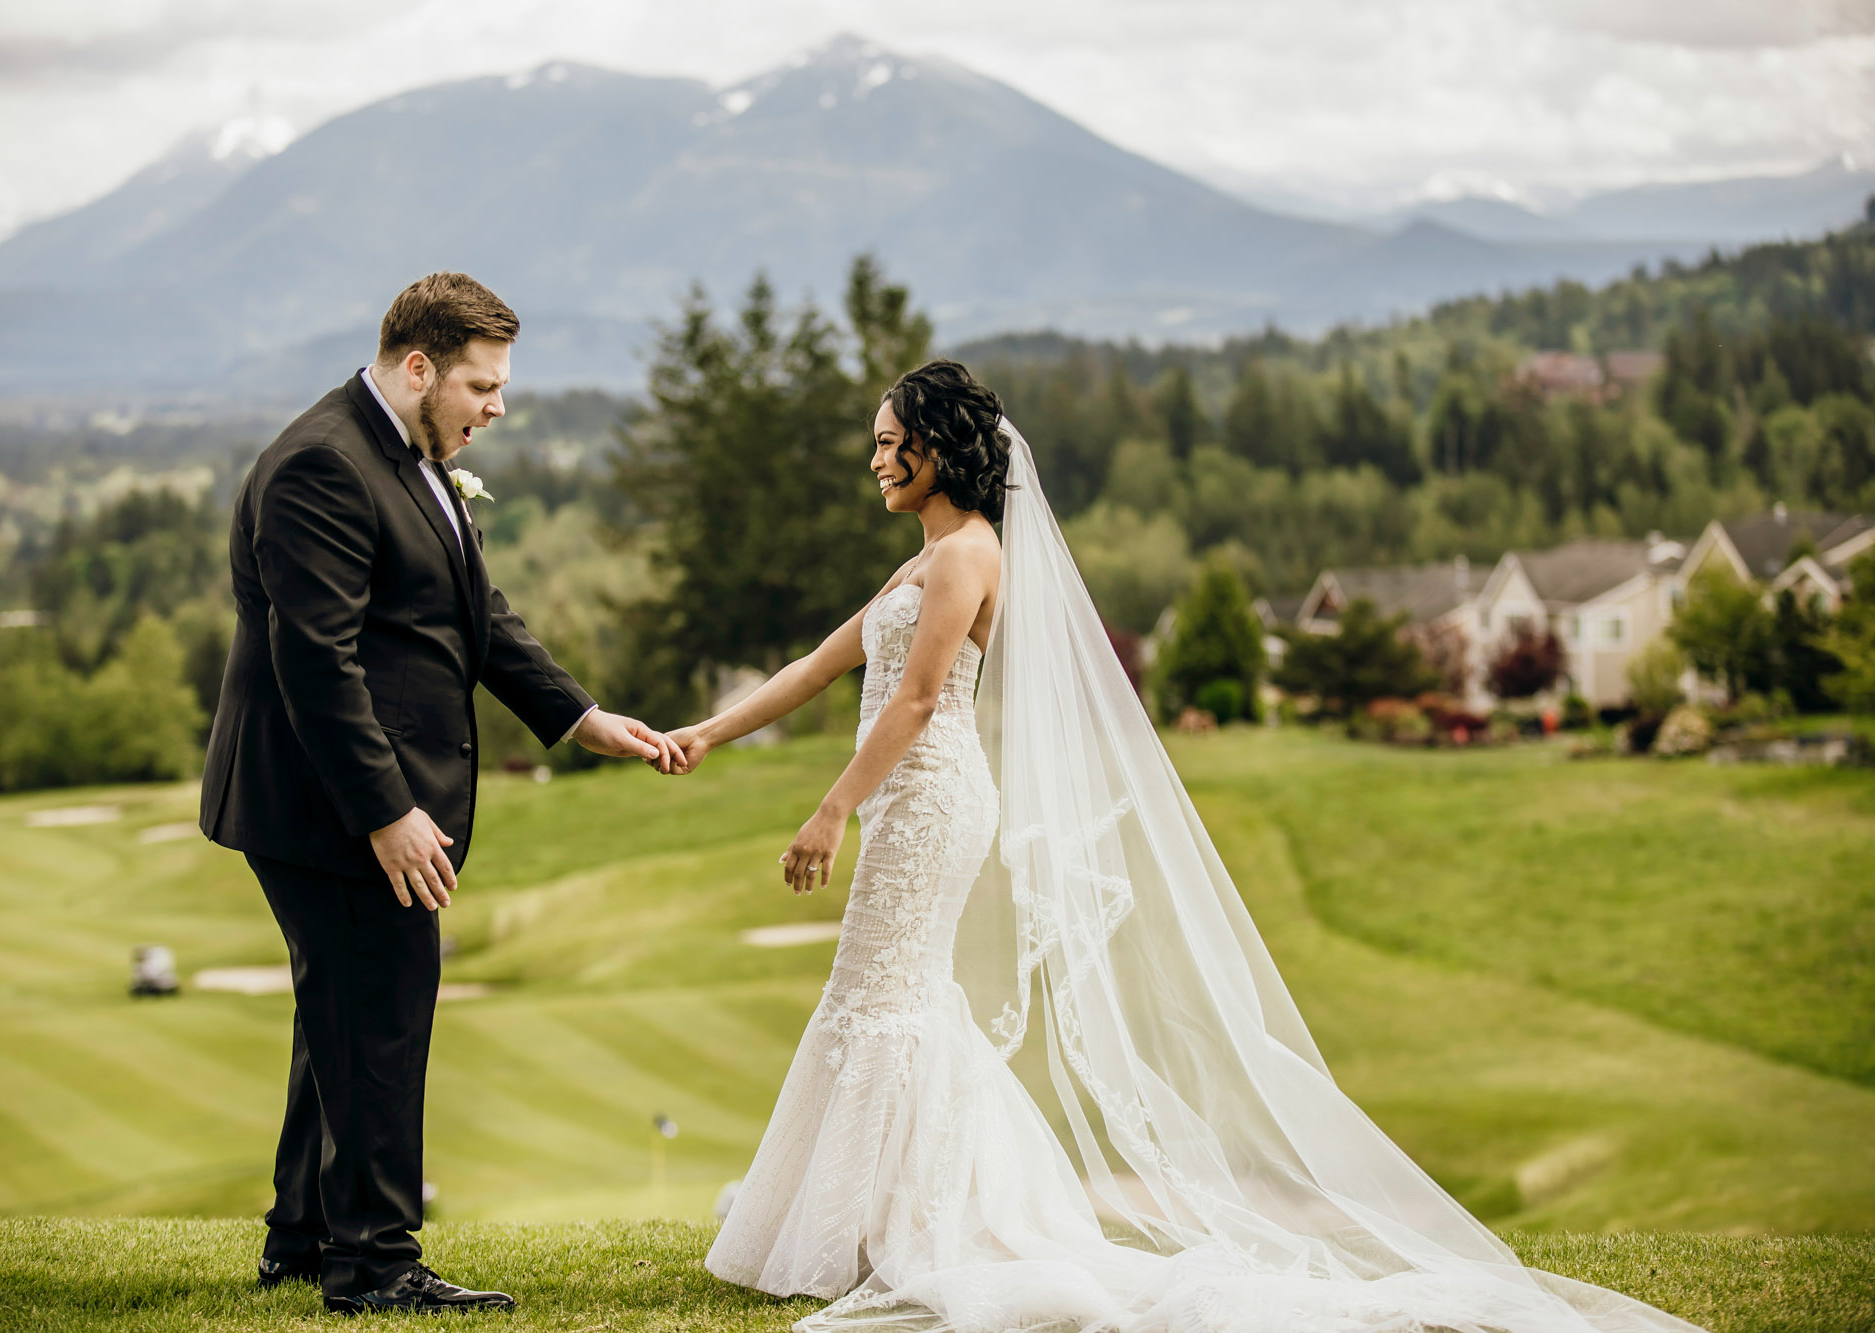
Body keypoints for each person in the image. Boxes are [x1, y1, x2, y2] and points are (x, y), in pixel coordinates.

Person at [665, 360, 1702, 1333]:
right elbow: (816, 664)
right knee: (886, 997)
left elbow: (920, 697)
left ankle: (900, 1222)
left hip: (926, 799)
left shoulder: (970, 553)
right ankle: (866, 1219)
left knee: (885, 996)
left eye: (890, 443)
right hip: (906, 798)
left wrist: (831, 808)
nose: (876, 461)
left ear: (937, 447)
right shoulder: (923, 558)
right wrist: (702, 735)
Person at [198, 272, 681, 1315]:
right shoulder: (322, 467)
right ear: (417, 368)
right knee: (381, 1007)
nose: (496, 407)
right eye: (481, 384)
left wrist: (579, 715)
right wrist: (386, 810)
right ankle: (373, 1266)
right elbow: (317, 662)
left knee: (343, 1002)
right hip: (326, 800)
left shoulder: (414, 456)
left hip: (352, 795)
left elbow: (475, 614)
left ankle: (306, 1232)